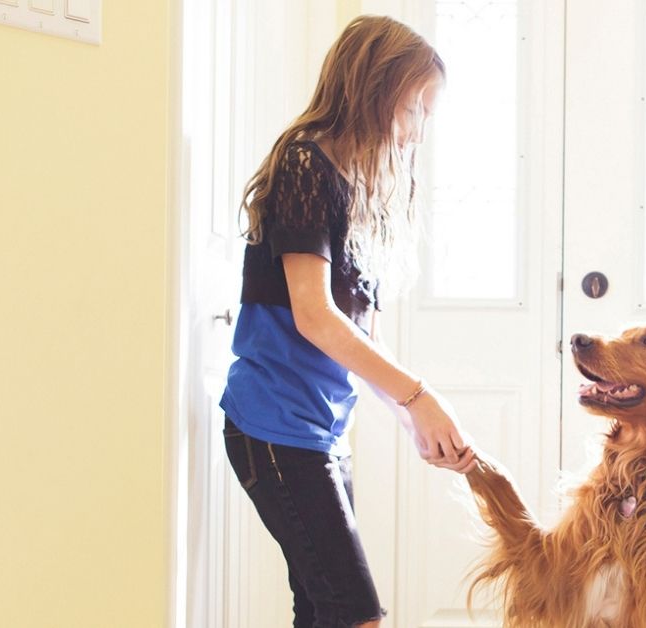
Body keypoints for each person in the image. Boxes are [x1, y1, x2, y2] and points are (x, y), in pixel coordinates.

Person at [218, 15, 475, 628]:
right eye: (415, 110)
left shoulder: (361, 197)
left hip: (321, 434)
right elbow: (314, 317)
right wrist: (419, 397)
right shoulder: (304, 165)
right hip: (274, 428)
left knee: (322, 609)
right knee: (355, 614)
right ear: (376, 89)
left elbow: (362, 342)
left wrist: (413, 419)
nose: (417, 133)